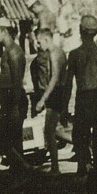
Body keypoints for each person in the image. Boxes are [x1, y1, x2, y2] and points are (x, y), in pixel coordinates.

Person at [65, 14, 97, 194]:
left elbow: (69, 84)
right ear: (96, 33)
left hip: (83, 99)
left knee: (81, 139)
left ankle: (85, 172)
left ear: (80, 31)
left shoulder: (75, 55)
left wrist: (63, 108)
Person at [0, 17, 29, 172]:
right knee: (12, 140)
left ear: (5, 31)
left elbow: (17, 82)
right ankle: (20, 173)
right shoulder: (8, 51)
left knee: (1, 139)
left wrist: (14, 107)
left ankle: (24, 169)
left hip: (13, 101)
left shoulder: (13, 52)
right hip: (9, 101)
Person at [31, 25, 69, 174]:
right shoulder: (59, 52)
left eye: (39, 42)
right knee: (53, 131)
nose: (38, 45)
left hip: (56, 93)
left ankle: (55, 168)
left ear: (46, 39)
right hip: (60, 93)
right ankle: (83, 145)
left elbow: (54, 77)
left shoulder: (54, 54)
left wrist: (42, 99)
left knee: (49, 131)